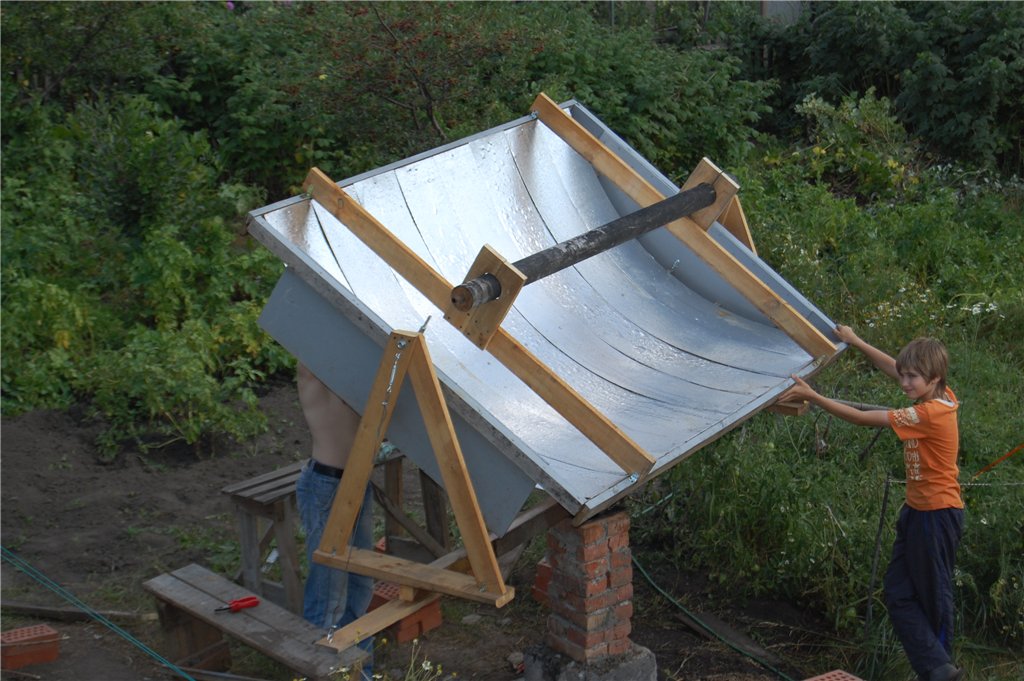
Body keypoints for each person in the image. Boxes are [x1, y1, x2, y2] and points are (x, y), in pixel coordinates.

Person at [785, 325, 964, 681]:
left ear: (933, 379)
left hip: (937, 515)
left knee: (934, 597)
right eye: (904, 375)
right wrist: (857, 342)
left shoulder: (929, 414)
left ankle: (942, 669)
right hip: (916, 512)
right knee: (897, 592)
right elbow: (894, 367)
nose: (904, 383)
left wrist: (814, 397)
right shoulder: (940, 393)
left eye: (912, 378)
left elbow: (864, 419)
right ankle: (936, 667)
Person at [295, 362, 375, 675]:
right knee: (328, 593)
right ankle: (323, 672)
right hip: (325, 484)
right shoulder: (312, 363)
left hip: (358, 481)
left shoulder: (358, 359)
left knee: (360, 585)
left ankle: (360, 672)